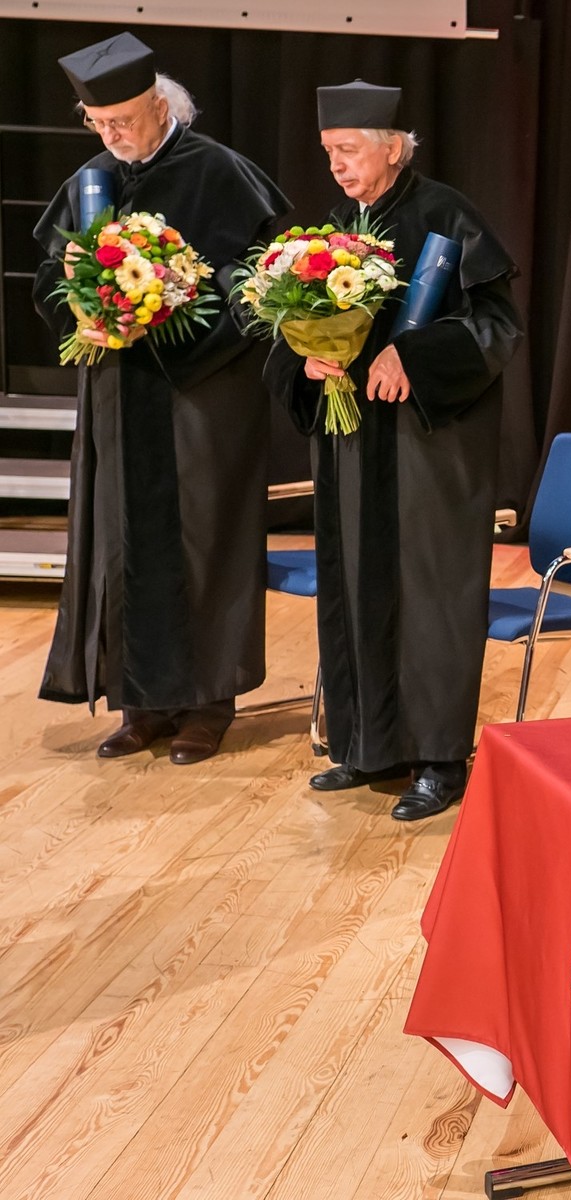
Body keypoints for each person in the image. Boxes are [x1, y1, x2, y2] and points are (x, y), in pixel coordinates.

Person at [264, 81, 522, 821]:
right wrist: (306, 359)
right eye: (329, 152)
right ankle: (366, 745)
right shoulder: (332, 230)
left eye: (348, 150)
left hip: (426, 452)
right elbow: (287, 330)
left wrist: (415, 356)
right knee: (354, 585)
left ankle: (439, 760)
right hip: (352, 445)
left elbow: (496, 326)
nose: (337, 166)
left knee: (430, 597)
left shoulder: (447, 214)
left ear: (392, 146)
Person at [32, 32, 290, 765]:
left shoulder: (221, 172)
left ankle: (208, 704)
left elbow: (259, 286)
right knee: (121, 541)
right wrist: (82, 310)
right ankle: (139, 702)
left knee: (204, 539)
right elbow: (48, 276)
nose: (110, 136)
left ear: (159, 104)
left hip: (202, 396)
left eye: (121, 120)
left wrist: (169, 322)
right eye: (97, 123)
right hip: (119, 394)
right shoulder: (92, 179)